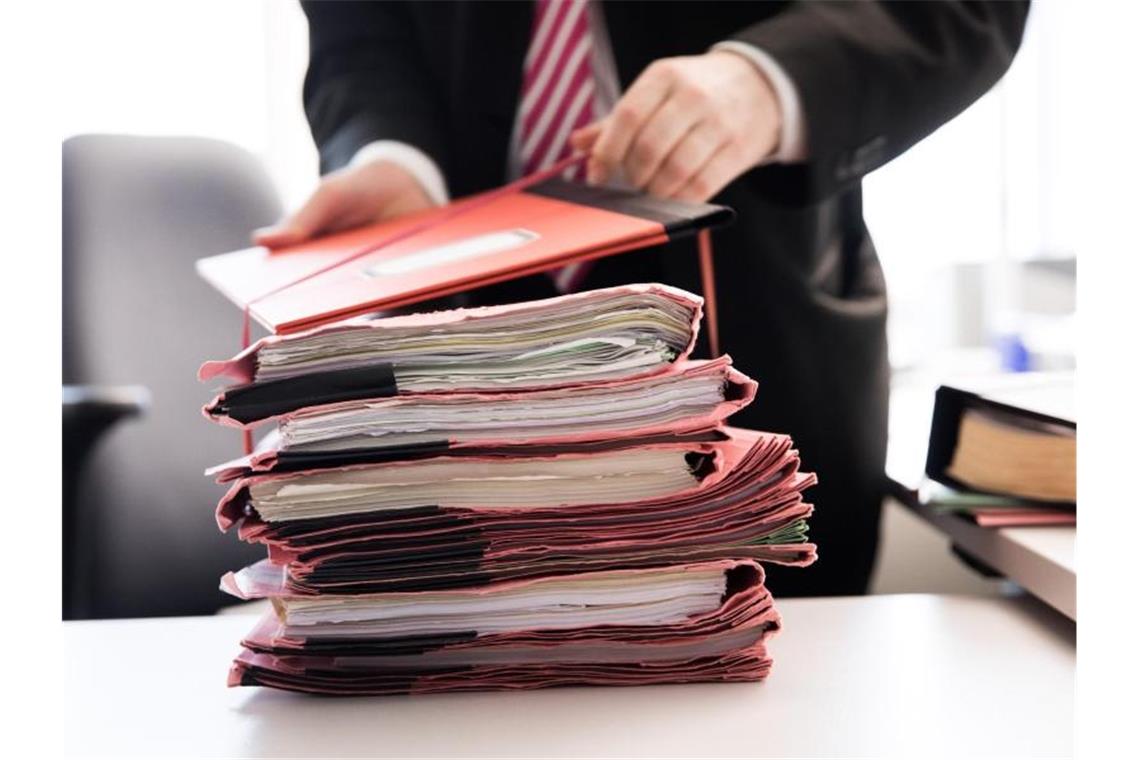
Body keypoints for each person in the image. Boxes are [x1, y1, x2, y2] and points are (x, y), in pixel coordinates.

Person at [255, 0, 1029, 596]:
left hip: (758, 332)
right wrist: (390, 152)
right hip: (451, 369)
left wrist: (770, 79)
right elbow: (360, 26)